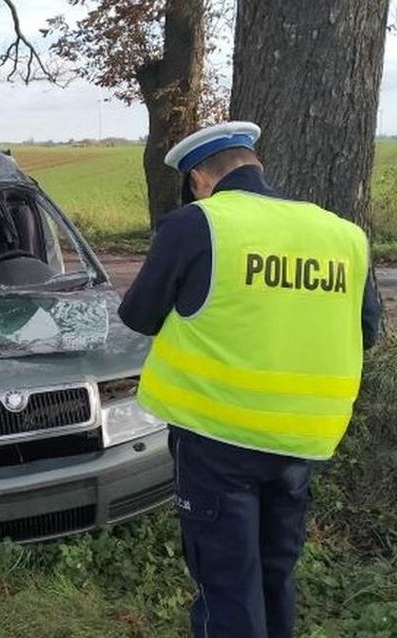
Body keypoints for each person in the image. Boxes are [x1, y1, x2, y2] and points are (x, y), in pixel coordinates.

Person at [119, 121, 382, 638]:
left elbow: (139, 317)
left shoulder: (197, 225)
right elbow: (367, 331)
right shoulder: (343, 235)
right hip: (302, 441)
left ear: (199, 177)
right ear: (255, 165)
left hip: (218, 439)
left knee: (227, 585)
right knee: (275, 574)